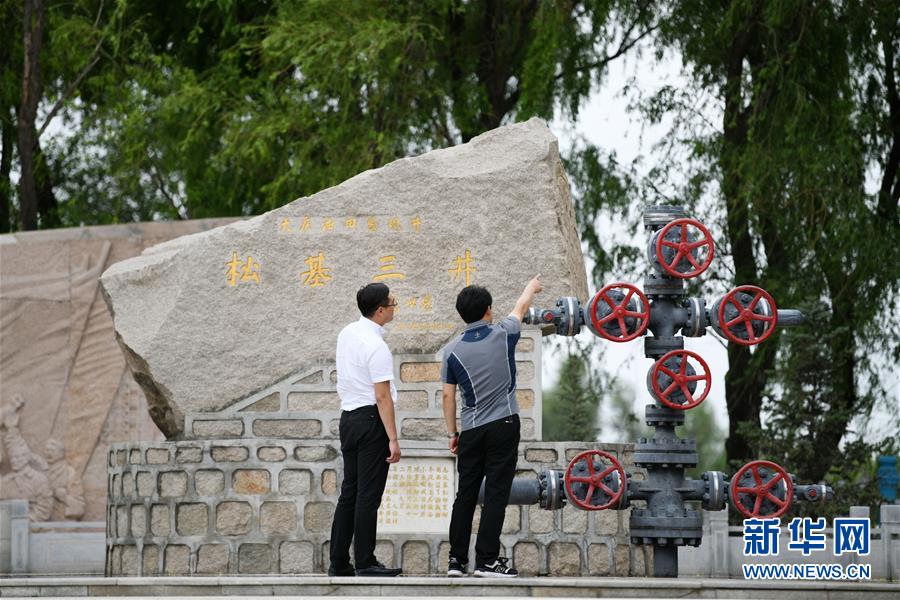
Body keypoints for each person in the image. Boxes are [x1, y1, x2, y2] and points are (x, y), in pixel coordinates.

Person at [441, 275, 542, 577]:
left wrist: (452, 433)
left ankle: (456, 561)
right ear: (487, 310)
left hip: (470, 429)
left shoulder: (452, 350)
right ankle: (486, 560)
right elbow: (521, 306)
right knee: (496, 493)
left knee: (465, 495)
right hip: (504, 424)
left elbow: (447, 395)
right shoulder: (503, 332)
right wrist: (532, 285)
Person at [328, 282, 403, 577]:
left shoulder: (347, 333)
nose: (394, 306)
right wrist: (393, 439)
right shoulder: (376, 346)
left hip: (348, 419)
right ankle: (365, 561)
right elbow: (382, 396)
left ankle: (338, 562)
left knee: (350, 493)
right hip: (372, 421)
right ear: (381, 310)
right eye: (392, 302)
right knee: (368, 495)